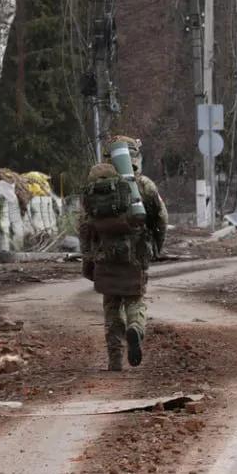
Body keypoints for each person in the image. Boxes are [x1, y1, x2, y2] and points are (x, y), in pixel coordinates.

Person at [78, 135, 168, 371]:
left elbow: (84, 225)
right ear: (136, 156)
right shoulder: (144, 185)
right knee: (134, 300)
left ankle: (115, 360)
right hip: (136, 254)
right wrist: (158, 244)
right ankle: (135, 329)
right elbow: (161, 217)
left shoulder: (95, 187)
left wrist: (87, 258)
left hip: (104, 254)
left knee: (111, 306)